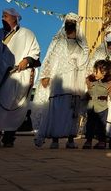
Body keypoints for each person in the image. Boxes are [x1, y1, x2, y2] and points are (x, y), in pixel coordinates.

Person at [0, 8, 40, 148]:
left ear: (15, 18)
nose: (2, 19)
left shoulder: (27, 34)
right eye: (2, 16)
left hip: (14, 76)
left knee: (12, 107)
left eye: (5, 16)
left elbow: (35, 53)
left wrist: (26, 60)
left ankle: (9, 138)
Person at [32, 13, 89, 149]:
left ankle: (70, 140)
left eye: (72, 22)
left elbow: (85, 63)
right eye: (68, 21)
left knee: (72, 111)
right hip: (58, 82)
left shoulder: (82, 44)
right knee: (56, 109)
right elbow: (48, 59)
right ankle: (55, 140)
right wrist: (45, 75)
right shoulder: (57, 41)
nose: (70, 24)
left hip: (74, 82)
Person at [82, 60, 111, 149]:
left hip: (102, 107)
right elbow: (88, 90)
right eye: (94, 71)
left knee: (101, 125)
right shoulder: (90, 79)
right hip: (91, 106)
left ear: (104, 72)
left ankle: (102, 141)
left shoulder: (108, 82)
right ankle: (88, 140)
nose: (94, 73)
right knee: (90, 124)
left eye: (96, 71)